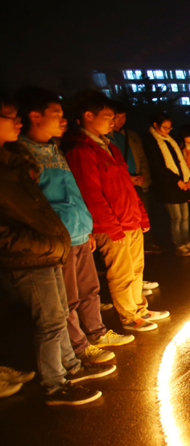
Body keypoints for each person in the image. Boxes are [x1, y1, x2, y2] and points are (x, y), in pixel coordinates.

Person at [0, 93, 115, 405]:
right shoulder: (18, 158)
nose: (18, 122)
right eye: (10, 117)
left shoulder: (31, 155)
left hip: (56, 243)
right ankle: (56, 384)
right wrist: (42, 241)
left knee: (63, 308)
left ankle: (71, 367)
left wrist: (81, 228)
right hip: (33, 252)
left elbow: (54, 200)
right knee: (51, 319)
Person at [15, 87, 132, 365]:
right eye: (57, 114)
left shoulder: (54, 149)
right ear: (35, 116)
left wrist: (87, 227)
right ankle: (79, 347)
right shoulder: (23, 154)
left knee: (89, 289)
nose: (62, 119)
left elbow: (74, 191)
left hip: (79, 231)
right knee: (68, 298)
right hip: (59, 237)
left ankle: (96, 332)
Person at [62, 90, 167, 333]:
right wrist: (111, 226)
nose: (113, 121)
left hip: (129, 219)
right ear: (88, 115)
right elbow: (91, 193)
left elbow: (126, 185)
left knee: (137, 269)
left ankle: (140, 308)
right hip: (112, 225)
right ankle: (129, 316)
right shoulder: (81, 150)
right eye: (108, 116)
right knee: (121, 273)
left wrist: (141, 214)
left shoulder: (108, 145)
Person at [142, 112, 190, 256]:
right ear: (155, 125)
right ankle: (178, 243)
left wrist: (186, 178)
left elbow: (179, 161)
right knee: (176, 216)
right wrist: (176, 180)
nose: (167, 131)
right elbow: (158, 165)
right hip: (168, 184)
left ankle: (187, 240)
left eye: (169, 128)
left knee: (185, 215)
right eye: (164, 128)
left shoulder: (170, 140)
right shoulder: (152, 140)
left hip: (181, 181)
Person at [106, 100, 155, 252]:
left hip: (138, 182)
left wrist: (144, 176)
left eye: (123, 117)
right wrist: (128, 178)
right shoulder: (105, 139)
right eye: (116, 118)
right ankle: (129, 247)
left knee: (142, 212)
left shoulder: (131, 136)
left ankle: (146, 243)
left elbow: (142, 158)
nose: (120, 121)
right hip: (122, 185)